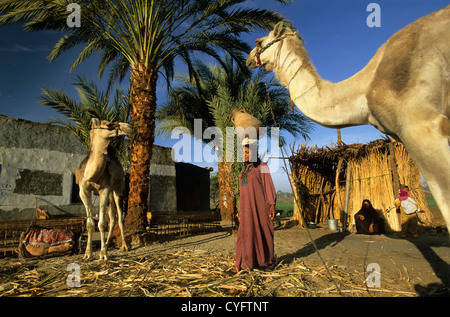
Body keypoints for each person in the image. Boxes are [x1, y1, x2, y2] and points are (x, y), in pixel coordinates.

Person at [233, 139, 277, 272]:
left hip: (260, 207)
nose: (244, 155)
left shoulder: (262, 166)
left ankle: (267, 261)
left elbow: (268, 185)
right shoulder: (243, 171)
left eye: (246, 152)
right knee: (245, 234)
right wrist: (240, 209)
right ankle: (242, 263)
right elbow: (242, 192)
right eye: (243, 153)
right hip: (247, 209)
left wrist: (272, 204)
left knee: (263, 232)